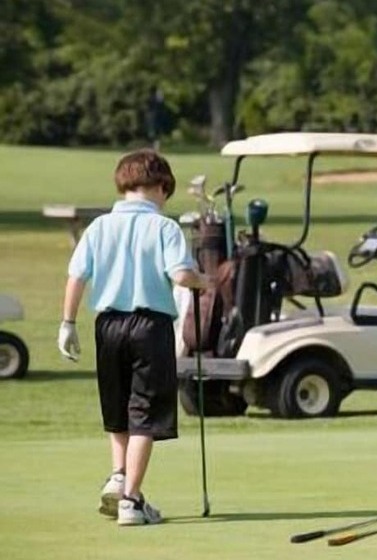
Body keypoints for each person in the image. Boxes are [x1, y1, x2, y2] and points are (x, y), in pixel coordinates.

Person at [58, 149, 208, 525]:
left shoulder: (98, 227)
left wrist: (67, 323)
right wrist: (204, 281)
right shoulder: (165, 227)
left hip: (107, 326)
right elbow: (180, 276)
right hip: (149, 327)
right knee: (146, 413)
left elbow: (77, 276)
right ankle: (132, 501)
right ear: (161, 186)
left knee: (119, 407)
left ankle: (119, 475)